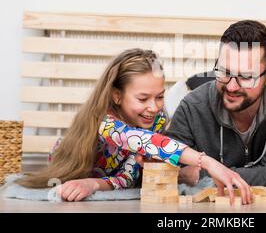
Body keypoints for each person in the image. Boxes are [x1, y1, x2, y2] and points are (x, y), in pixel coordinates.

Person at [16, 48, 252, 204]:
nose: (154, 107)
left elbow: (131, 174)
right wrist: (206, 161)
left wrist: (178, 173)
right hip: (73, 163)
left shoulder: (156, 120)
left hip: (117, 171)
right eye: (143, 99)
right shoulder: (106, 122)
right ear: (117, 96)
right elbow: (144, 142)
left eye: (159, 97)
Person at [166, 20, 266, 188]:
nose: (231, 87)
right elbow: (171, 171)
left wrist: (202, 174)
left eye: (245, 76)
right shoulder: (191, 106)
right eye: (224, 72)